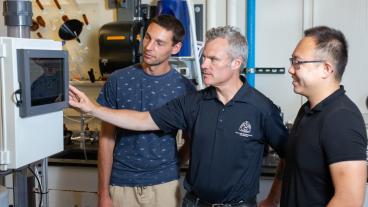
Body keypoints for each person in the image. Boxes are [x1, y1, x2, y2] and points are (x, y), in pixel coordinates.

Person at [69, 25, 288, 207]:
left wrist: (273, 198)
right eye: (204, 58)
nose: (203, 65)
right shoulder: (194, 102)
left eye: (213, 59)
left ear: (236, 63)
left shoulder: (261, 108)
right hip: (194, 203)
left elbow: (289, 155)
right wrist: (93, 109)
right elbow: (143, 120)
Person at [96, 15, 196, 207]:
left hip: (165, 188)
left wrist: (173, 165)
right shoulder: (118, 80)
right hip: (121, 184)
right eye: (148, 37)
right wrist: (103, 194)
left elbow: (192, 139)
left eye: (159, 43)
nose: (149, 47)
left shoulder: (184, 89)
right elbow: (106, 139)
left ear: (175, 48)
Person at [280, 26, 367, 206]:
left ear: (326, 69)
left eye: (298, 62)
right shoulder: (307, 110)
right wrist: (272, 199)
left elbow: (349, 200)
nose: (291, 69)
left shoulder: (342, 119)